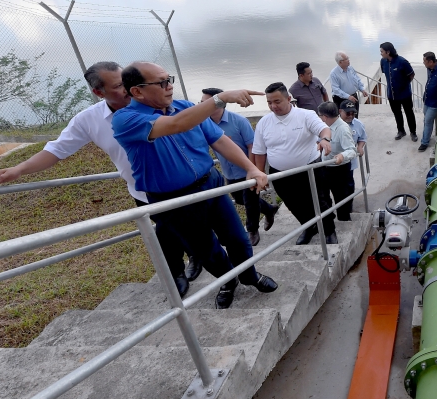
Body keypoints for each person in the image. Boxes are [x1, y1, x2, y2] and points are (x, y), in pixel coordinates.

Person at [0, 61, 200, 298]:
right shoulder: (89, 120)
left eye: (127, 81)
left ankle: (198, 254)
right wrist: (18, 169)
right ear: (98, 92)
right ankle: (176, 272)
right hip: (144, 191)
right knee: (165, 231)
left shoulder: (158, 103)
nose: (128, 88)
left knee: (194, 225)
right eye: (118, 86)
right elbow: (56, 150)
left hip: (185, 182)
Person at [112, 62, 277, 309]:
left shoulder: (187, 108)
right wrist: (220, 98)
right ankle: (228, 281)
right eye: (162, 82)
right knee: (205, 249)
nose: (169, 87)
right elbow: (177, 125)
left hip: (210, 184)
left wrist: (251, 168)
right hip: (173, 199)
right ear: (137, 92)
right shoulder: (126, 119)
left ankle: (250, 275)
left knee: (237, 237)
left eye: (170, 79)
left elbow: (220, 140)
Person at [251, 82, 337, 245]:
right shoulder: (264, 123)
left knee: (319, 201)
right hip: (281, 174)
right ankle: (308, 227)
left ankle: (329, 230)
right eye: (269, 102)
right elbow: (259, 152)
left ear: (289, 99)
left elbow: (323, 129)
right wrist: (260, 173)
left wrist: (325, 139)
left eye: (277, 101)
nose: (273, 106)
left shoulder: (306, 115)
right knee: (294, 205)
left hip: (309, 169)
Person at [201, 88, 278, 247]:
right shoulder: (204, 125)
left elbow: (252, 146)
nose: (202, 105)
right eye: (201, 103)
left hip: (246, 170)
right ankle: (269, 209)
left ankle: (252, 230)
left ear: (219, 104)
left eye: (205, 102)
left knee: (250, 202)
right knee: (240, 200)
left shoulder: (239, 121)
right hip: (229, 172)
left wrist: (252, 168)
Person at [317, 101, 357, 222]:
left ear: (324, 116)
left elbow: (352, 150)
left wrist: (341, 156)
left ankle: (344, 220)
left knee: (342, 198)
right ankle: (329, 219)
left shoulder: (342, 129)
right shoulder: (323, 127)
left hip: (340, 170)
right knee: (323, 195)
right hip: (325, 167)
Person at [379, 42, 417, 141]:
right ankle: (401, 131)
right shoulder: (383, 61)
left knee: (409, 113)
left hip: (405, 94)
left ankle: (413, 132)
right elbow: (385, 72)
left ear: (388, 52)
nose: (381, 53)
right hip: (392, 95)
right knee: (397, 113)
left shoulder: (403, 62)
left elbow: (411, 75)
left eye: (382, 51)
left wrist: (404, 84)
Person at [328, 51, 368, 118]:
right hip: (341, 99)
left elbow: (357, 79)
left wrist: (362, 89)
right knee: (344, 119)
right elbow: (336, 89)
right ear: (340, 62)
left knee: (355, 117)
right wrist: (348, 97)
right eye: (346, 59)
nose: (348, 60)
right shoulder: (333, 74)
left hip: (353, 97)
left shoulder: (350, 68)